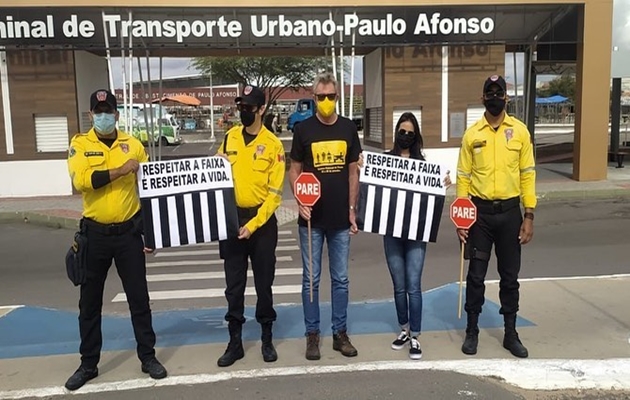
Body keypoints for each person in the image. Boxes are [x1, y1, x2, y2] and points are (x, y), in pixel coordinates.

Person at [65, 89, 167, 391]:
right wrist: (121, 170)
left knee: (139, 299)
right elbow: (81, 181)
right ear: (90, 115)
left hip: (128, 234)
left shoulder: (132, 144)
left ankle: (148, 357)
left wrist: (151, 231)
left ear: (117, 114)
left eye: (108, 110)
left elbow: (148, 189)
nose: (103, 116)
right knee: (89, 303)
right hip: (94, 235)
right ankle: (88, 364)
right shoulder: (80, 144)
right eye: (98, 112)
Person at [357, 113, 451, 360]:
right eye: (402, 131)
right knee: (399, 286)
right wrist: (362, 170)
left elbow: (434, 190)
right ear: (396, 132)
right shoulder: (384, 161)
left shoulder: (423, 163)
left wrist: (443, 183)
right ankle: (404, 329)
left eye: (410, 132)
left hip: (416, 234)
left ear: (416, 136)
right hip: (391, 233)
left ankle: (416, 336)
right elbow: (371, 188)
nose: (406, 136)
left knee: (413, 286)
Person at [455, 75, 536, 358]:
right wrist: (461, 219)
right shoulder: (472, 134)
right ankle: (472, 330)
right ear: (482, 99)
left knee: (509, 277)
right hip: (480, 216)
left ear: (506, 97)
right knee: (476, 276)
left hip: (511, 214)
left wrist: (529, 215)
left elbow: (528, 175)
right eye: (489, 93)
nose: (494, 97)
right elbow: (463, 178)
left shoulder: (520, 132)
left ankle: (510, 333)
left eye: (498, 92)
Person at [289, 72, 362, 361]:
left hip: (340, 221)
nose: (327, 101)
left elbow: (353, 172)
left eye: (331, 96)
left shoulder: (347, 129)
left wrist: (352, 209)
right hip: (311, 221)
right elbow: (294, 169)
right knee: (311, 279)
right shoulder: (303, 130)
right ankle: (312, 335)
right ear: (314, 97)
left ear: (337, 96)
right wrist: (298, 199)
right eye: (321, 97)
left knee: (341, 279)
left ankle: (340, 333)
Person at [216, 85, 286, 367]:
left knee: (263, 284)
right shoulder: (230, 137)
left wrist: (254, 225)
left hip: (262, 224)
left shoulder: (273, 145)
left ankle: (267, 337)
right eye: (240, 106)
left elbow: (274, 195)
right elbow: (218, 176)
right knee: (233, 286)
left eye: (248, 107)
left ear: (261, 110)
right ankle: (235, 342)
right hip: (232, 221)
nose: (242, 111)